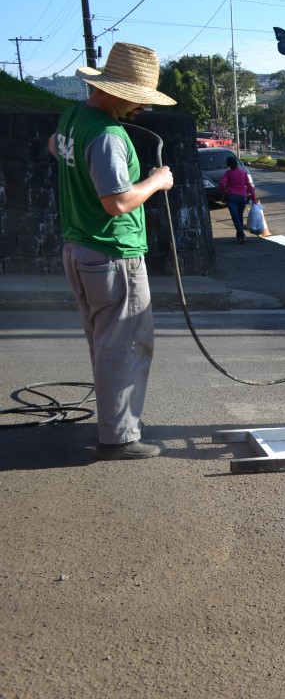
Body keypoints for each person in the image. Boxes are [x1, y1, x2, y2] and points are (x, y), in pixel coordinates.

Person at [49, 42, 177, 460]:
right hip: (111, 254)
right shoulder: (107, 135)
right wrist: (157, 180)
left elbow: (55, 146)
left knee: (105, 343)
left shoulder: (73, 117)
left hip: (80, 249)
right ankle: (119, 437)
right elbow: (117, 202)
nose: (141, 108)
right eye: (138, 99)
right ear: (120, 91)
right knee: (125, 345)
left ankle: (112, 425)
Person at [218, 155, 257, 243]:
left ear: (228, 164)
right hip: (242, 198)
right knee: (239, 216)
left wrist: (224, 192)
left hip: (231, 197)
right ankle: (239, 236)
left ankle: (241, 235)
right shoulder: (243, 174)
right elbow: (250, 187)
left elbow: (221, 184)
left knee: (235, 217)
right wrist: (253, 198)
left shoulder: (228, 173)